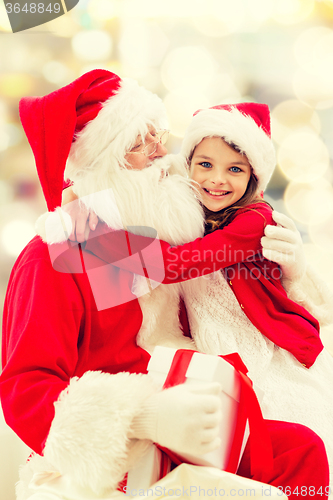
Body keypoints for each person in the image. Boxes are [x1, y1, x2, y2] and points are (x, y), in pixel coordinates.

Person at [0, 71, 330, 500]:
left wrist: (291, 275)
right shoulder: (57, 254)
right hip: (117, 449)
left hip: (196, 415)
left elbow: (236, 304)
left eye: (159, 135)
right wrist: (143, 416)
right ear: (104, 162)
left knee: (302, 451)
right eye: (141, 144)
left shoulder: (164, 229)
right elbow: (26, 390)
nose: (162, 152)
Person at [81, 102, 333, 484]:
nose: (217, 179)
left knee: (285, 442)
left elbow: (182, 265)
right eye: (205, 165)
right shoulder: (190, 211)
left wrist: (104, 238)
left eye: (235, 169)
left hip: (264, 349)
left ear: (253, 178)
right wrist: (84, 210)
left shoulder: (254, 219)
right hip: (212, 348)